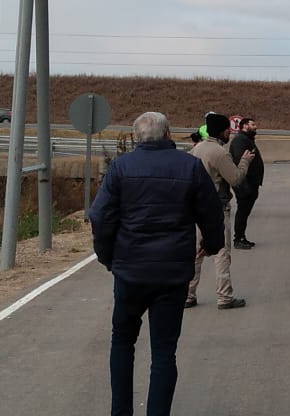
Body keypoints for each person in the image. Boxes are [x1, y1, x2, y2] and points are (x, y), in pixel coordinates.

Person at [88, 111, 224, 416]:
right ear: (168, 135)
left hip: (130, 272)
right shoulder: (189, 166)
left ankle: (120, 412)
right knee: (164, 351)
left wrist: (107, 256)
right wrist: (212, 245)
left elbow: (100, 217)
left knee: (122, 342)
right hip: (172, 275)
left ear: (137, 138)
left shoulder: (121, 167)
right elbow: (211, 211)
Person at [187, 112, 254, 310]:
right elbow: (235, 178)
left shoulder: (196, 150)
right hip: (216, 208)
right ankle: (225, 297)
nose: (229, 135)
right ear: (223, 131)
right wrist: (245, 162)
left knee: (196, 253)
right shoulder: (219, 152)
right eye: (228, 131)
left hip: (196, 208)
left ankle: (188, 295)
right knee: (222, 253)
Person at [229, 116, 265, 249]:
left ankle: (241, 236)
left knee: (244, 211)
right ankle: (238, 239)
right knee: (242, 211)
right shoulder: (240, 140)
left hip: (250, 183)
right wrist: (245, 184)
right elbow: (240, 161)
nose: (255, 127)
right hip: (245, 183)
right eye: (253, 124)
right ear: (244, 126)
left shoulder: (247, 139)